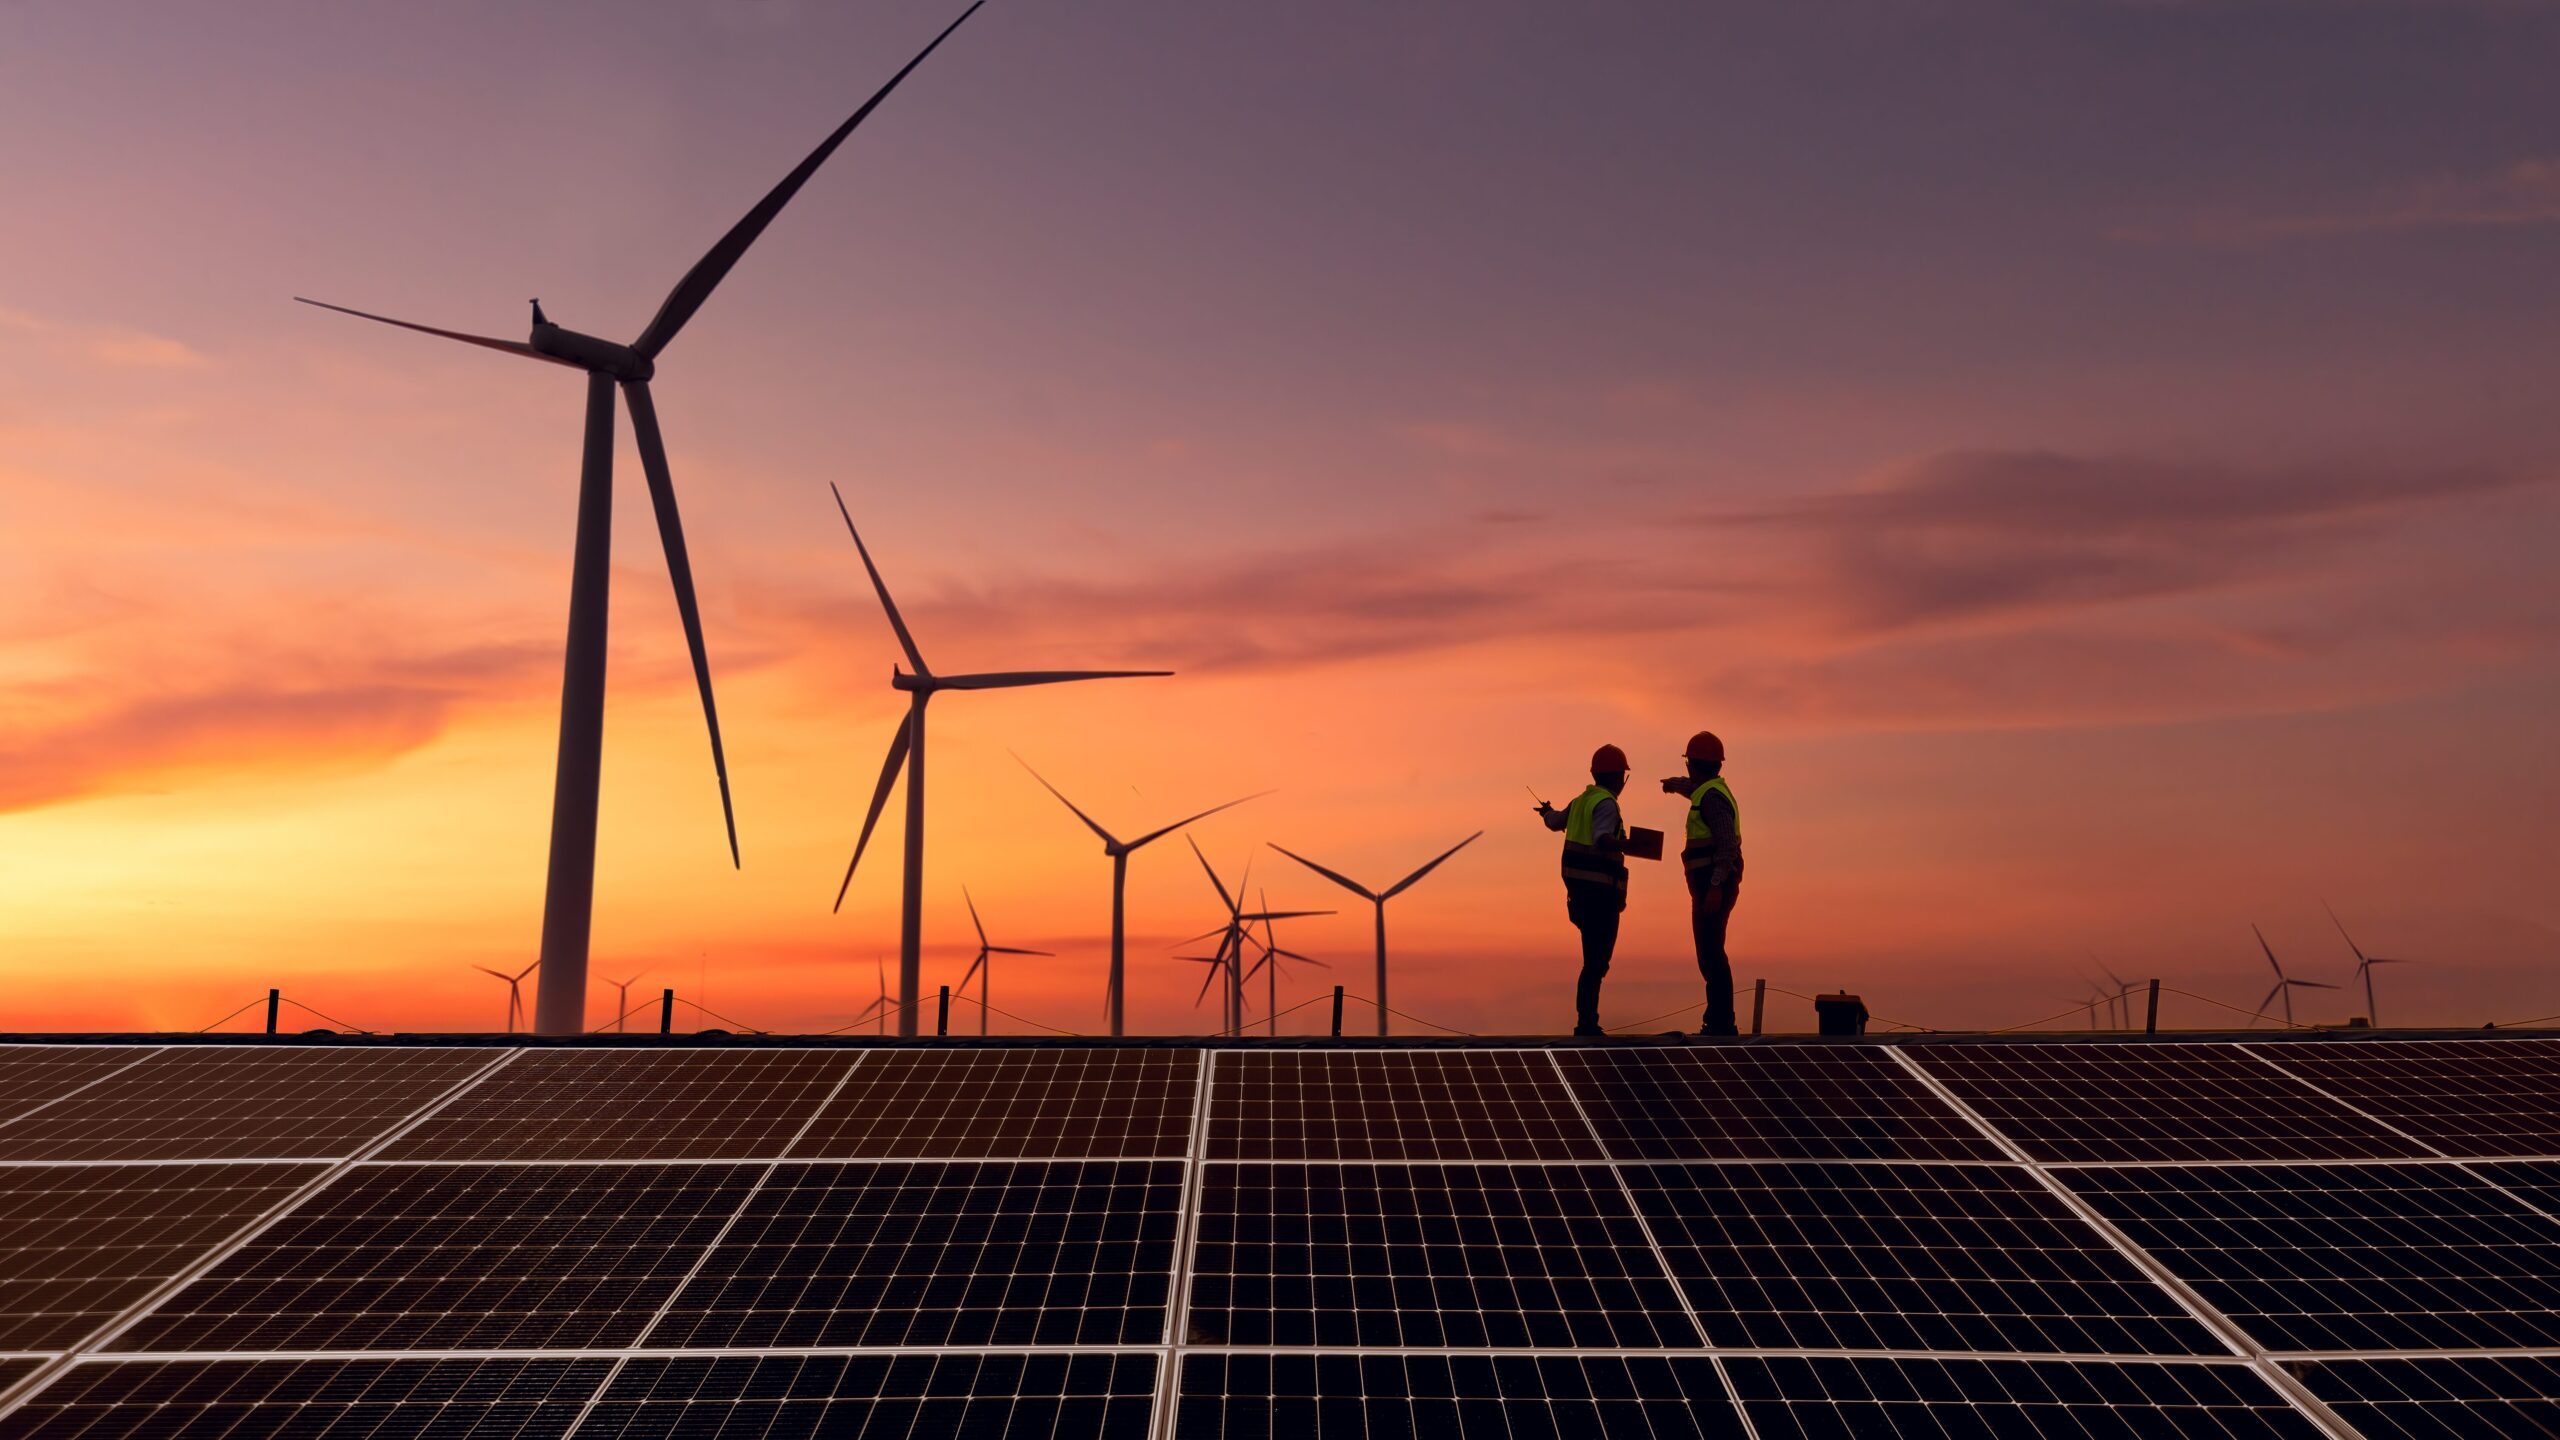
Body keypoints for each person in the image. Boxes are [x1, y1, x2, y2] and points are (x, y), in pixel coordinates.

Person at [1538, 744, 1632, 1036]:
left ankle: (1587, 1021)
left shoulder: (1581, 802)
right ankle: (1587, 1023)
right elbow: (1601, 838)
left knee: (1592, 961)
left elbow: (1555, 822)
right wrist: (1628, 845)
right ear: (1620, 777)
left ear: (1594, 773)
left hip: (1579, 897)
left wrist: (1546, 812)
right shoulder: (1605, 804)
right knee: (1596, 963)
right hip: (1599, 898)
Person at [1660, 730, 1742, 1035]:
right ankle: (1719, 1019)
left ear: (1691, 763)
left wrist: (1716, 887)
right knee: (1709, 952)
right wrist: (1673, 785)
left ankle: (1721, 1023)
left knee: (1711, 954)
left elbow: (1727, 846)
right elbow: (1694, 787)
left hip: (1713, 887)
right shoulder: (1709, 791)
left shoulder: (1713, 800)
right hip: (1708, 887)